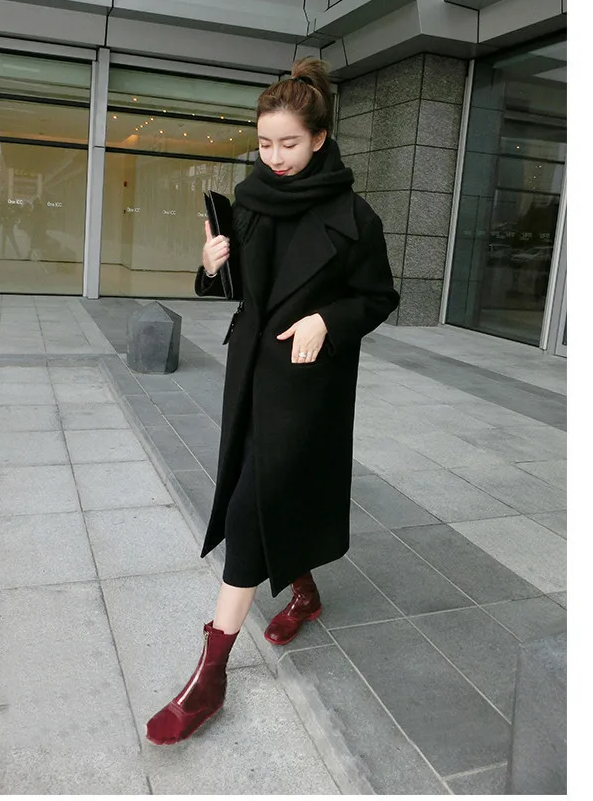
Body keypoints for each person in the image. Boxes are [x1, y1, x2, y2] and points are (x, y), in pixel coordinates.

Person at [145, 58, 400, 746]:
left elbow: (379, 296)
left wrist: (329, 320)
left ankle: (210, 676)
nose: (275, 156)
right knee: (268, 492)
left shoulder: (355, 217)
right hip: (251, 375)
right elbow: (239, 291)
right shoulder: (250, 200)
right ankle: (305, 591)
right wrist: (210, 268)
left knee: (248, 504)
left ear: (319, 137)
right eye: (264, 143)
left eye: (289, 143)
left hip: (309, 385)